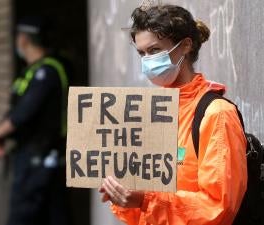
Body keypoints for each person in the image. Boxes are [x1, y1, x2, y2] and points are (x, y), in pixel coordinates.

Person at [99, 5, 247, 225]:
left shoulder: (217, 115)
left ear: (185, 46)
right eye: (142, 53)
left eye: (155, 50)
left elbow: (219, 207)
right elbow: (145, 209)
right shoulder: (154, 113)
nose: (147, 61)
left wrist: (145, 199)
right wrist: (123, 194)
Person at [0, 17, 69, 225]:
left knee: (24, 217)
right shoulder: (31, 71)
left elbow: (22, 114)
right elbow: (16, 111)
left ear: (23, 39)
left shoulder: (47, 71)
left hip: (41, 160)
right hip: (33, 158)